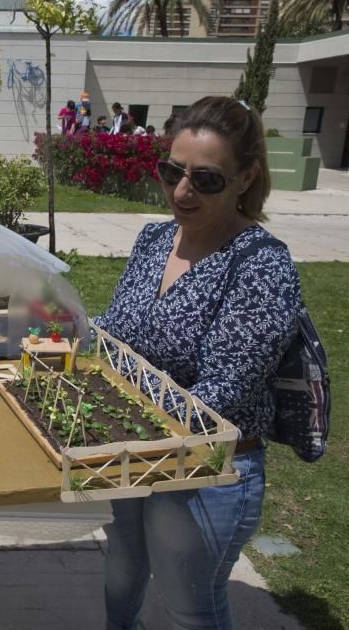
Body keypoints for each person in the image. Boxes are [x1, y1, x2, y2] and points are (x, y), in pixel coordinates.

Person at [94, 96, 300, 630]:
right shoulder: (155, 237)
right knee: (121, 573)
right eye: (171, 172)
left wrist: (108, 408)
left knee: (191, 610)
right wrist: (70, 329)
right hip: (131, 449)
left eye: (205, 180)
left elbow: (224, 392)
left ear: (245, 178)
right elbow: (118, 330)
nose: (181, 192)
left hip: (206, 470)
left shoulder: (262, 264)